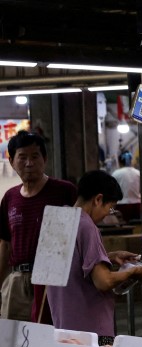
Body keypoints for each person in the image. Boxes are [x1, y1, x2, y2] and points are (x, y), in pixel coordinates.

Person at [46, 170, 142, 345]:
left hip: (63, 329)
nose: (109, 213)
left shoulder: (56, 219)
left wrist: (108, 256)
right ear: (98, 199)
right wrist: (134, 272)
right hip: (91, 333)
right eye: (110, 207)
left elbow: (71, 265)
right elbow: (104, 281)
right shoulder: (87, 226)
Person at [0, 131, 78, 322]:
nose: (29, 163)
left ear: (44, 158)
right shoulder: (10, 197)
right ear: (12, 162)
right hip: (17, 280)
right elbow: (5, 244)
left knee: (49, 338)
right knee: (14, 342)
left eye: (35, 156)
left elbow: (80, 236)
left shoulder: (64, 191)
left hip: (53, 281)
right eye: (22, 157)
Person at [112, 150, 141, 223]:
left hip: (122, 206)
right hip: (137, 205)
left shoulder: (116, 174)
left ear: (120, 162)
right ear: (131, 160)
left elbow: (112, 191)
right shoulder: (138, 173)